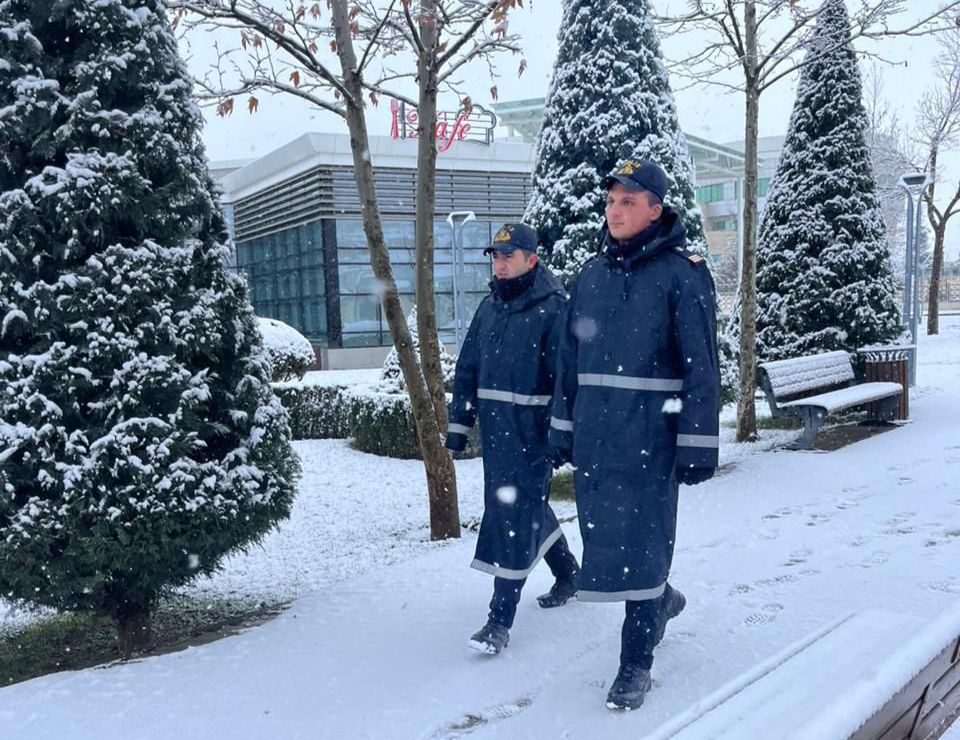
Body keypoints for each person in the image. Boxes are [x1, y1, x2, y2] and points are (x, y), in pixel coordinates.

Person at [548, 159, 720, 710]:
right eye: (611, 201)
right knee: (609, 547)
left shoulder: (682, 273)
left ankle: (634, 664)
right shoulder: (590, 276)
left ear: (655, 209)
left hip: (653, 439)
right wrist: (562, 427)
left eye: (629, 201)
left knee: (643, 547)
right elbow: (567, 363)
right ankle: (662, 599)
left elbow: (702, 368)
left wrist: (696, 443)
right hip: (597, 442)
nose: (616, 211)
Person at [446, 223, 581, 656]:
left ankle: (498, 620)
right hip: (497, 435)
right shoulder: (489, 307)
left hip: (534, 436)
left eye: (508, 255)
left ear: (531, 258)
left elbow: (566, 380)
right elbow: (468, 367)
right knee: (525, 507)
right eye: (495, 256)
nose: (500, 263)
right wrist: (459, 425)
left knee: (512, 516)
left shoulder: (554, 309)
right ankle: (568, 573)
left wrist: (561, 432)